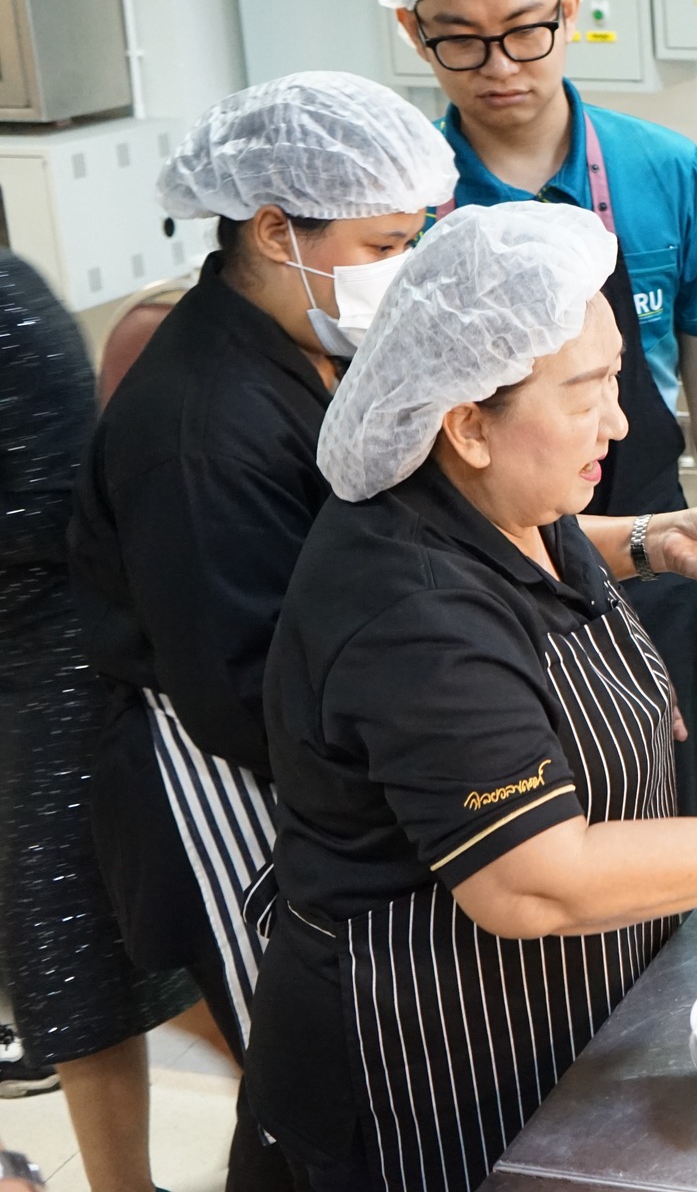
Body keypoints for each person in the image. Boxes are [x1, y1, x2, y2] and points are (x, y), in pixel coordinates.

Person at [245, 202, 697, 1191]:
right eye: (585, 394)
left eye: (615, 378)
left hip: (554, 1023)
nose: (621, 421)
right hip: (423, 1068)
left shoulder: (497, 494)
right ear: (467, 424)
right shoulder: (412, 618)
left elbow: (531, 558)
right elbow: (537, 883)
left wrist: (646, 541)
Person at [69, 71, 456, 1187]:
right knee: (315, 1092)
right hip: (225, 788)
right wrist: (412, 773)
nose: (401, 267)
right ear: (279, 228)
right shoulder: (199, 424)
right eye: (383, 244)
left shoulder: (307, 347)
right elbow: (241, 687)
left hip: (311, 755)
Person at [382, 0, 697, 796]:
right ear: (412, 30)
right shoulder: (403, 208)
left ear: (571, 4)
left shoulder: (663, 170)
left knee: (665, 808)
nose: (498, 67)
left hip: (649, 547)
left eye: (526, 30)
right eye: (459, 40)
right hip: (474, 578)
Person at [0, 253, 199, 1190]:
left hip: (55, 660)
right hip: (35, 656)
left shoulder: (9, 308)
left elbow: (44, 520)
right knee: (72, 953)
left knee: (81, 939)